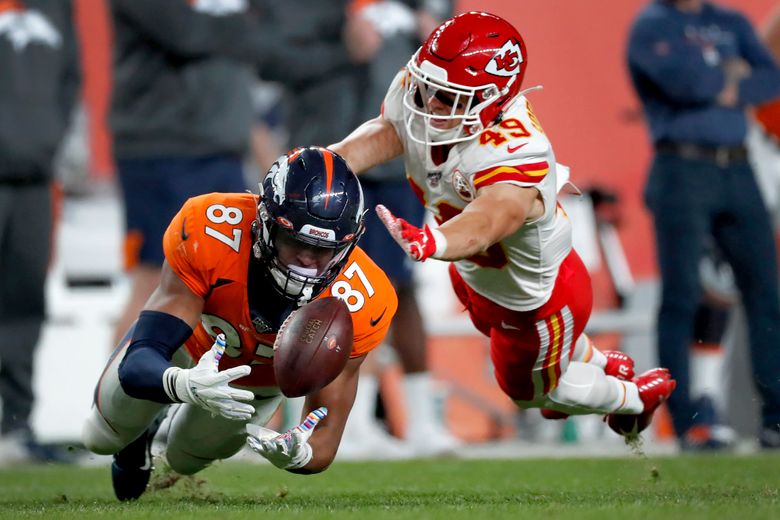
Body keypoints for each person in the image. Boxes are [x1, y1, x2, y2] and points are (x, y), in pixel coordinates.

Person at [330, 11, 676, 439]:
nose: (429, 101)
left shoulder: (515, 148)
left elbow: (493, 217)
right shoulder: (427, 84)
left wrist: (435, 240)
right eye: (429, 86)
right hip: (478, 274)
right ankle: (600, 363)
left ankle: (635, 398)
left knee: (528, 393)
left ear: (492, 98)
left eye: (447, 96)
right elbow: (392, 129)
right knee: (507, 343)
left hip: (538, 299)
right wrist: (331, 160)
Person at [81, 147, 398, 501]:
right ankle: (135, 440)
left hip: (254, 385)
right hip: (187, 350)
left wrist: (301, 454)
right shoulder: (210, 228)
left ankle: (164, 426)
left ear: (348, 243)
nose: (307, 260)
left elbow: (327, 435)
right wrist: (179, 383)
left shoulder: (363, 297)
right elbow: (143, 356)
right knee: (100, 436)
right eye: (294, 241)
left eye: (323, 250)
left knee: (185, 460)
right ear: (264, 219)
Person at [108, 0, 358, 348]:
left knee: (231, 286)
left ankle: (201, 395)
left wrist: (346, 53)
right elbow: (186, 33)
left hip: (223, 149)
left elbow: (271, 55)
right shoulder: (241, 20)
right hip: (162, 148)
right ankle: (120, 394)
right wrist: (248, 30)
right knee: (156, 280)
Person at [627, 0, 780, 449]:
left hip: (738, 167)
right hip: (681, 165)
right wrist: (732, 77)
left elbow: (770, 77)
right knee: (681, 296)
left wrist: (722, 83)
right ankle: (687, 420)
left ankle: (775, 417)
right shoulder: (652, 24)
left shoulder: (729, 20)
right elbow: (683, 82)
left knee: (765, 293)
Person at [0, 0, 80, 464]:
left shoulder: (56, 6)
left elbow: (71, 78)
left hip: (33, 175)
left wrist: (49, 138)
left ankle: (15, 425)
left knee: (25, 302)